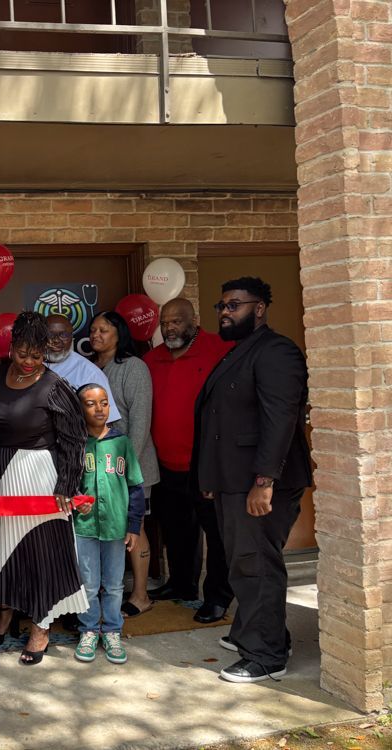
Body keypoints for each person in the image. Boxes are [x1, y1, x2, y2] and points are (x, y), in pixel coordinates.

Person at [194, 278, 311, 683]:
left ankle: (266, 656)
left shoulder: (277, 351)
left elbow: (281, 421)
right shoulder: (239, 352)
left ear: (259, 308)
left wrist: (264, 481)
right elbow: (220, 424)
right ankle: (259, 632)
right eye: (222, 306)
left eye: (234, 306)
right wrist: (212, 477)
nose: (225, 312)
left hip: (261, 483)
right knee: (244, 562)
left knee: (256, 564)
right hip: (233, 480)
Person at [0, 312, 88, 665]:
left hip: (41, 477)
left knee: (42, 554)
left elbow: (75, 439)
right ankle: (7, 613)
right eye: (22, 353)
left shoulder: (55, 386)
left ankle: (41, 626)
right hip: (1, 475)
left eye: (36, 355)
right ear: (11, 348)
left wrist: (67, 485)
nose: (28, 362)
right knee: (4, 550)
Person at [143, 298, 234, 623]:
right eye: (165, 322)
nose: (170, 328)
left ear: (193, 319)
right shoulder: (153, 359)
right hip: (166, 464)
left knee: (217, 534)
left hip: (206, 463)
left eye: (177, 321)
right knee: (177, 530)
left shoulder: (218, 348)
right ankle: (182, 585)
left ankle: (218, 597)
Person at [88, 311, 159, 618]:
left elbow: (141, 422)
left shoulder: (134, 367)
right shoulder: (90, 368)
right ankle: (107, 592)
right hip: (99, 468)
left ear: (120, 333)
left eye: (104, 329)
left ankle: (141, 594)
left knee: (135, 526)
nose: (96, 334)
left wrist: (125, 468)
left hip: (132, 466)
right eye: (93, 330)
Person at [72, 384, 144, 666]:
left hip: (116, 527)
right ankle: (89, 629)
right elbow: (68, 484)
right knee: (88, 584)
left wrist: (134, 525)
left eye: (104, 403)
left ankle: (112, 630)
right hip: (85, 527)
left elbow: (135, 486)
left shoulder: (122, 442)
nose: (99, 408)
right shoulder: (76, 444)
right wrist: (78, 500)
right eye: (91, 404)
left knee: (114, 584)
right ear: (80, 409)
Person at [43, 315, 122, 423]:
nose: (56, 340)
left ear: (71, 338)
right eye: (50, 334)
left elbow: (106, 423)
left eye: (64, 335)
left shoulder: (90, 374)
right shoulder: (29, 364)